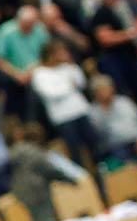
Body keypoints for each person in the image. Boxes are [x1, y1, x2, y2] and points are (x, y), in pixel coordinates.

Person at [29, 41, 100, 169]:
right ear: (51, 55)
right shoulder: (39, 74)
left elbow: (81, 82)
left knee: (95, 145)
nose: (64, 54)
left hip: (80, 111)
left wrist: (71, 65)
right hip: (63, 118)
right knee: (75, 152)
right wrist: (69, 86)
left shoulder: (67, 67)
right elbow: (51, 93)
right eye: (60, 52)